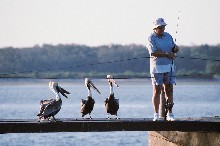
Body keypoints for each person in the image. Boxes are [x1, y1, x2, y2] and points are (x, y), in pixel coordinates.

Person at [146, 18, 180, 121]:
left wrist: (176, 49)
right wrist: (166, 54)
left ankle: (170, 113)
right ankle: (156, 114)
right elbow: (153, 52)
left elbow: (174, 47)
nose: (162, 29)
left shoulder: (168, 36)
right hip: (157, 68)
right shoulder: (151, 38)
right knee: (157, 90)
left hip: (169, 67)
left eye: (163, 27)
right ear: (155, 28)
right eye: (160, 27)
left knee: (169, 90)